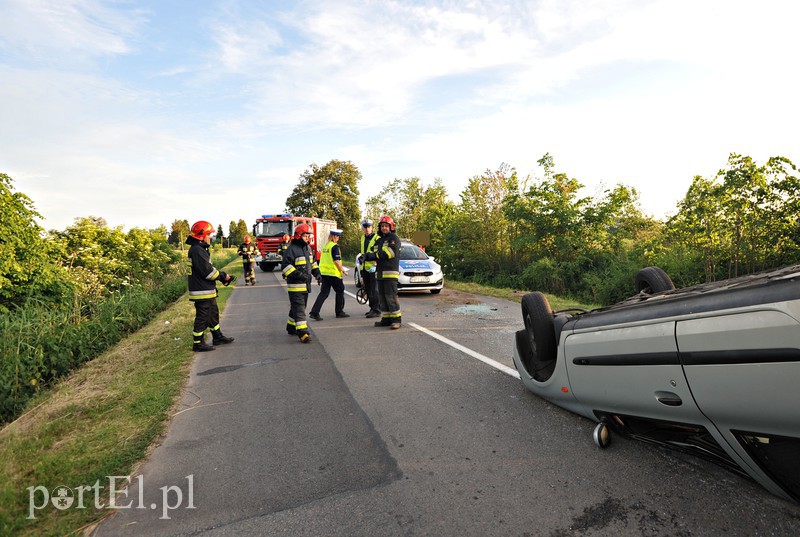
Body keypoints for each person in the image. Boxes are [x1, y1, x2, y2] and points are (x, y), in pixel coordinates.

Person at [186, 220, 236, 351]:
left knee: (213, 313)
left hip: (206, 289)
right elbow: (209, 273)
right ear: (201, 235)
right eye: (208, 234)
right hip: (201, 291)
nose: (210, 237)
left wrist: (222, 277)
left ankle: (217, 336)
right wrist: (223, 276)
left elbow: (207, 270)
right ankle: (198, 343)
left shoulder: (199, 249)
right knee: (203, 316)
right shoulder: (197, 251)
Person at [280, 224, 321, 343]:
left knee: (297, 308)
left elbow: (313, 264)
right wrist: (299, 275)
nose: (308, 238)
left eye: (309, 236)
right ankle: (303, 333)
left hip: (305, 286)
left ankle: (291, 327)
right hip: (295, 286)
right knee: (300, 309)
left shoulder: (308, 249)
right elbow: (286, 267)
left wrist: (318, 274)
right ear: (298, 235)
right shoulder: (291, 249)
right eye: (305, 235)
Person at [363, 215, 401, 329]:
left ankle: (396, 320)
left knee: (391, 297)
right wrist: (366, 256)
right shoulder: (379, 240)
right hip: (380, 273)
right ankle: (386, 319)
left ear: (391, 227)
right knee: (382, 297)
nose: (384, 228)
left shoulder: (394, 239)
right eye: (382, 226)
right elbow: (374, 253)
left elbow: (388, 253)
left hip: (390, 273)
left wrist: (371, 256)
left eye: (386, 226)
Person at [309, 229, 350, 321]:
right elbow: (336, 261)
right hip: (333, 274)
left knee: (324, 293)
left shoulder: (326, 246)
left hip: (324, 273)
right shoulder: (334, 246)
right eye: (338, 236)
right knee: (340, 291)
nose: (338, 238)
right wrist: (343, 270)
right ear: (334, 236)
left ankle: (314, 312)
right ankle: (339, 312)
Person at [358, 219, 381, 318]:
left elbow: (379, 253)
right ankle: (372, 308)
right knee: (368, 289)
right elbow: (363, 252)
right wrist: (361, 268)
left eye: (369, 227)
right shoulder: (363, 238)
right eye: (365, 227)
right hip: (365, 267)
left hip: (374, 267)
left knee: (374, 290)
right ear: (362, 228)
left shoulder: (377, 238)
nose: (367, 229)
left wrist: (375, 264)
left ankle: (377, 310)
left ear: (372, 227)